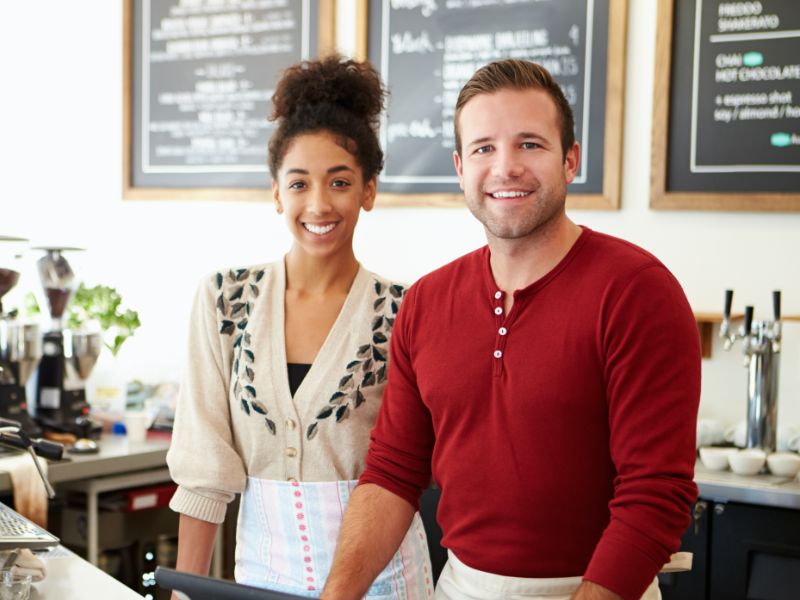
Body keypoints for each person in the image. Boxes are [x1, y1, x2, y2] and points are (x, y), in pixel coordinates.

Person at [320, 59, 701, 600]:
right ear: (459, 167)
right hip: (460, 587)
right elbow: (392, 473)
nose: (505, 167)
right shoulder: (426, 302)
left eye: (530, 144)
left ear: (571, 160)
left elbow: (655, 493)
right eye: (483, 148)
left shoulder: (637, 291)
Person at [166, 55, 433, 599]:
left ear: (369, 191)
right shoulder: (224, 301)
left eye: (340, 182)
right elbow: (203, 472)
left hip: (383, 583)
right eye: (299, 183)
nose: (318, 204)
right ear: (276, 193)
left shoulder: (406, 310)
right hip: (262, 578)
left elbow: (422, 465)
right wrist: (180, 594)